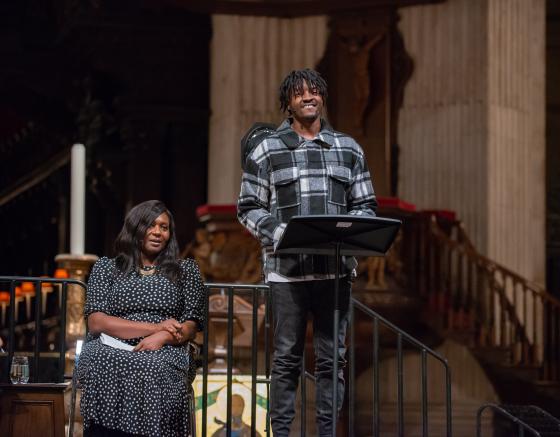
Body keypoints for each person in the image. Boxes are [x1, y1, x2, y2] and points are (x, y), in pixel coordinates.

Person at [237, 68, 377, 437]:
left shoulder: (349, 148)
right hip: (287, 272)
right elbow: (248, 206)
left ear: (323, 97)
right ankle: (280, 434)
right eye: (300, 93)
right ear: (288, 102)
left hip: (334, 272)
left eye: (314, 91)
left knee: (333, 361)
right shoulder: (267, 149)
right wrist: (282, 232)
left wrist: (352, 229)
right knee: (286, 360)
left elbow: (365, 205)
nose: (308, 97)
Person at [77, 200, 205, 437]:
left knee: (152, 366)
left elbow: (190, 325)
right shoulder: (107, 268)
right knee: (100, 360)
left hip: (165, 347)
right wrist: (155, 328)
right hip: (112, 342)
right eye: (150, 225)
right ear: (135, 229)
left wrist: (163, 337)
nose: (157, 232)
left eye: (164, 227)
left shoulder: (186, 270)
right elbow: (96, 322)